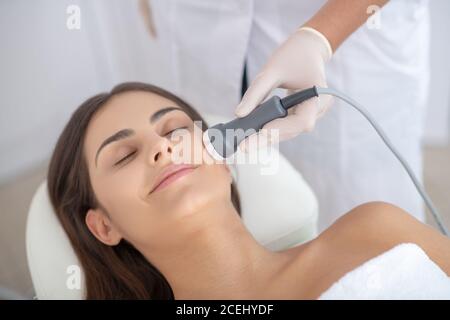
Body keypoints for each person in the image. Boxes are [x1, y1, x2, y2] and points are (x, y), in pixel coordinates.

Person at [47, 82, 450, 299]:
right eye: (124, 156)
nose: (162, 147)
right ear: (103, 227)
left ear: (223, 156)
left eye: (173, 129)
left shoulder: (374, 228)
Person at [141, 0, 430, 231]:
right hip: (194, 26)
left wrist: (320, 38)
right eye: (125, 155)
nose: (161, 149)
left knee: (362, 225)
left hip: (353, 38)